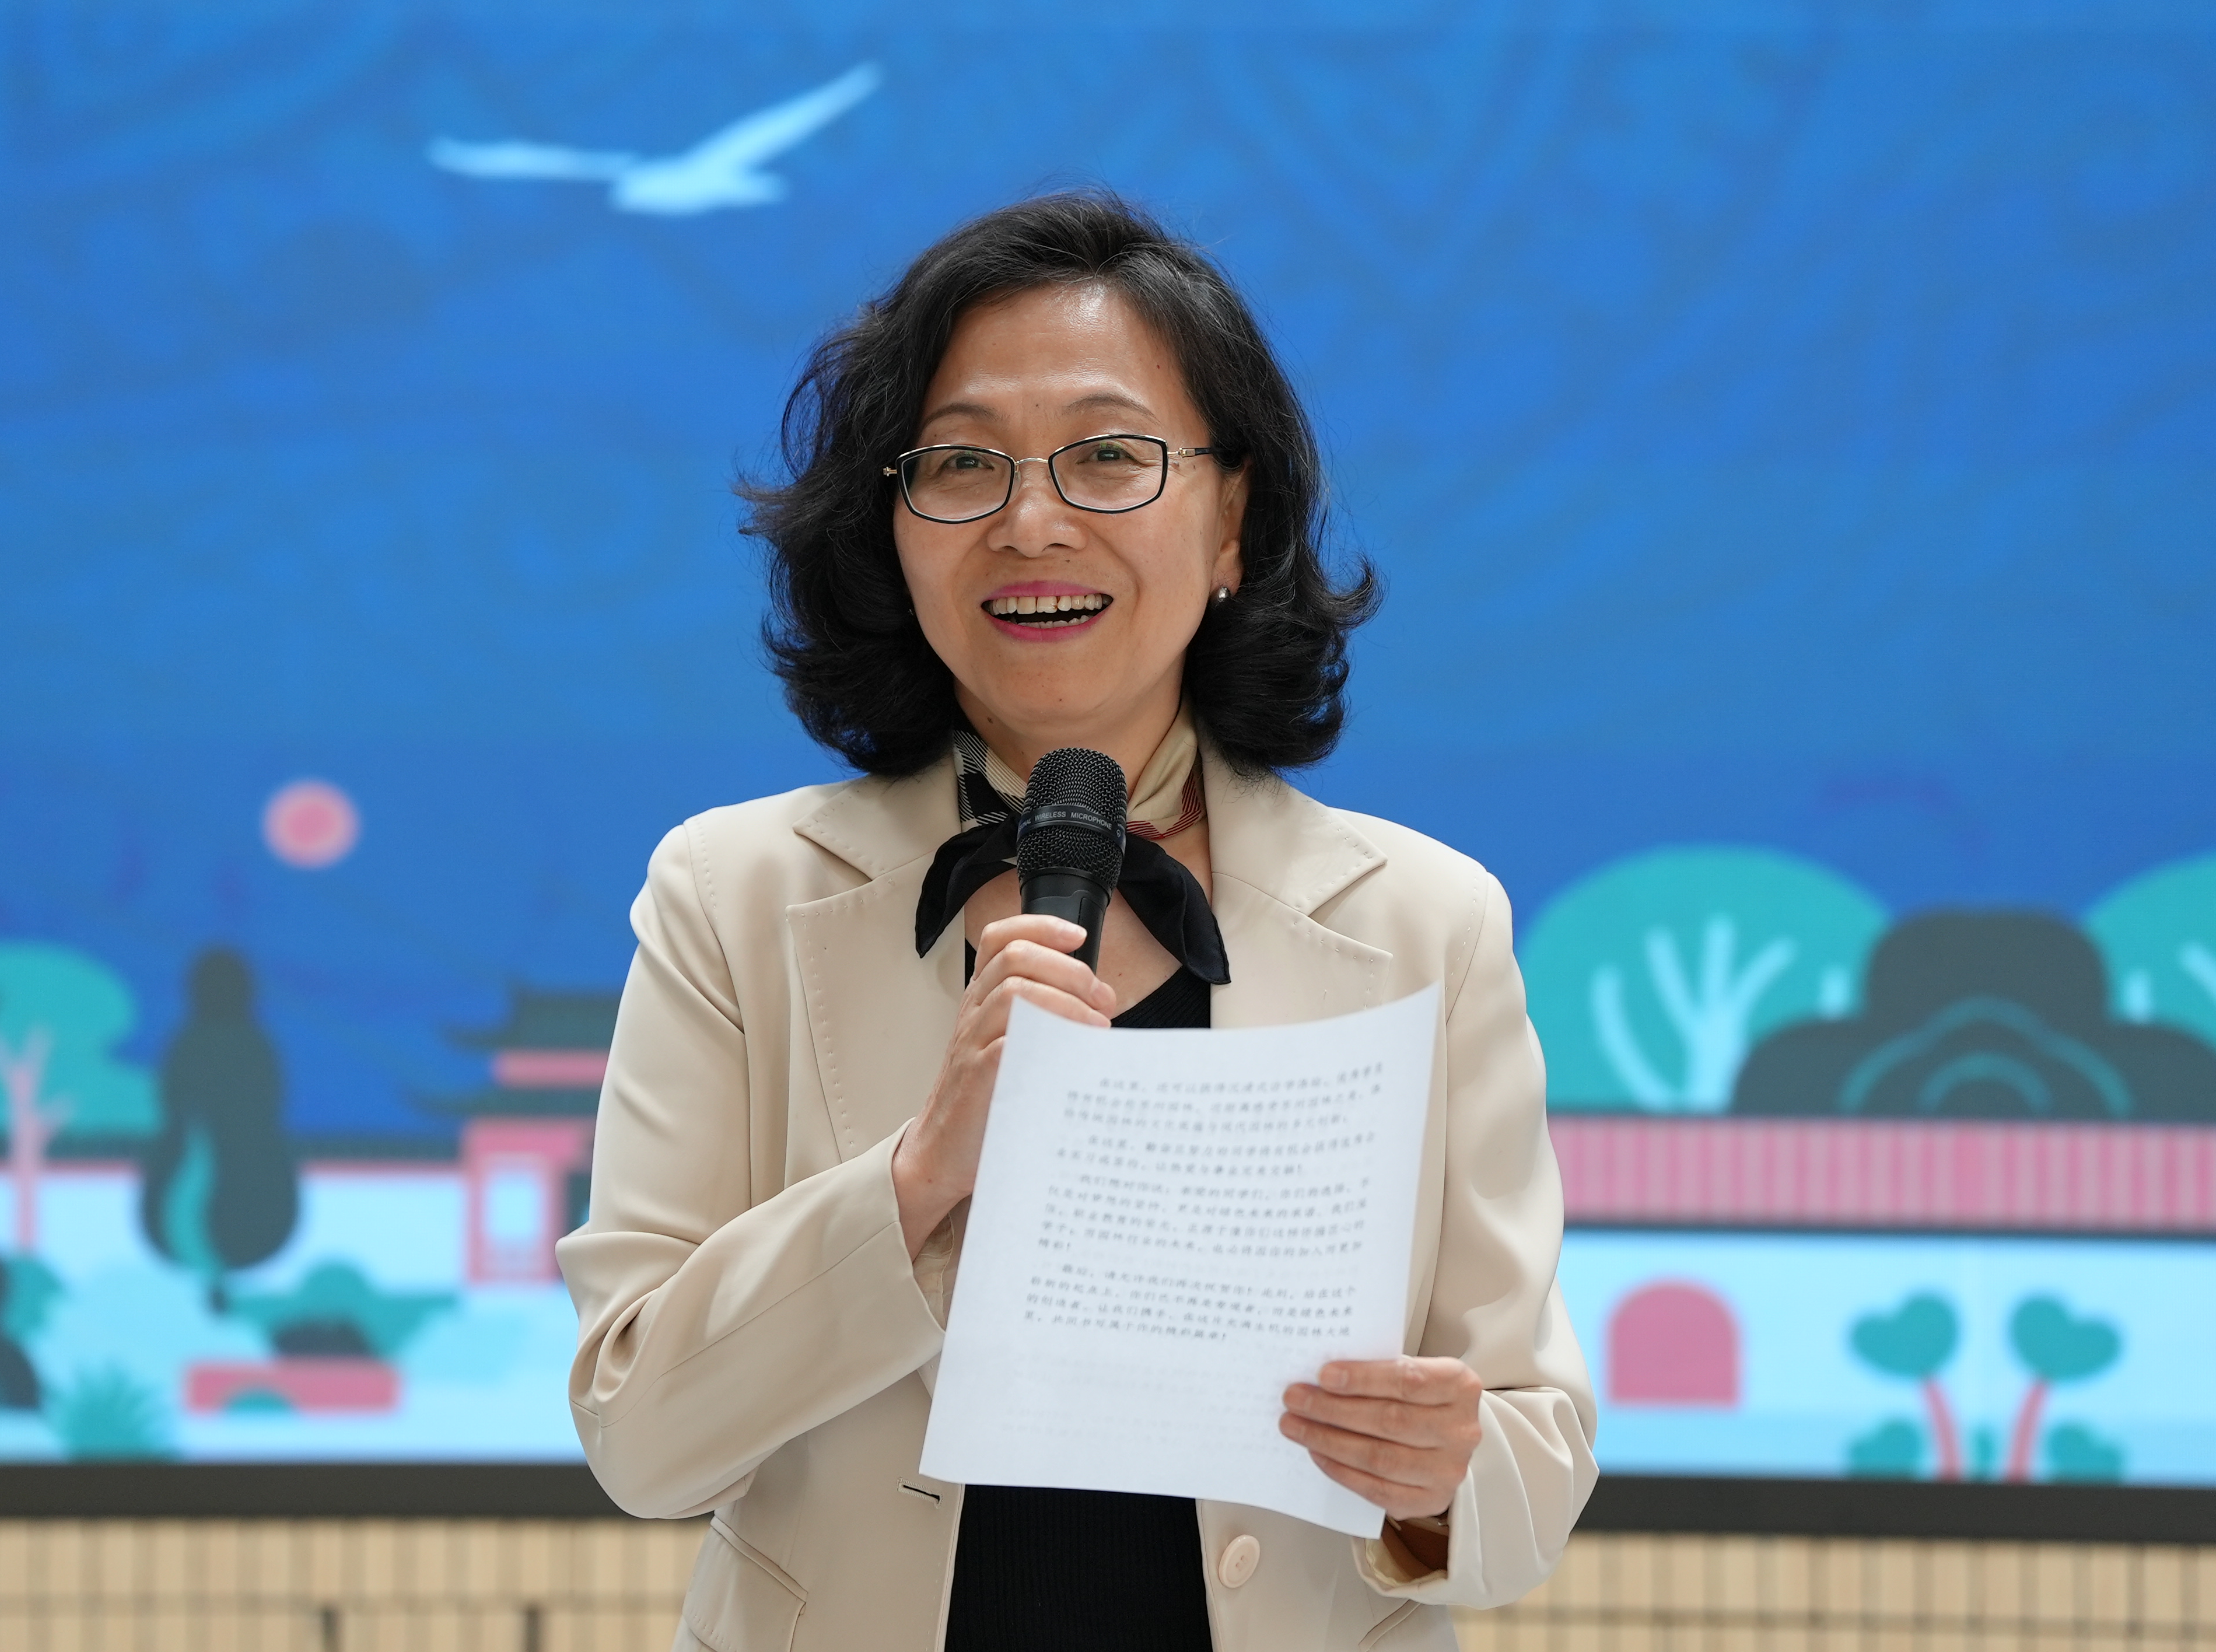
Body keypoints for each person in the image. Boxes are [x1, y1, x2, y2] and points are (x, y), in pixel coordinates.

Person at [558, 191, 1596, 1652]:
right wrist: (914, 1179)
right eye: (960, 464)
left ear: (1231, 521)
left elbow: (1528, 1471)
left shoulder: (1425, 923)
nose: (1029, 522)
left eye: (1108, 455)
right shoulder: (731, 894)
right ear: (892, 530)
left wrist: (1439, 1479)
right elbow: (640, 1438)